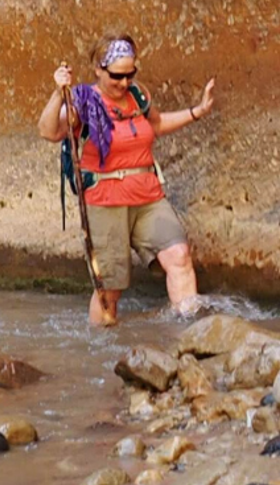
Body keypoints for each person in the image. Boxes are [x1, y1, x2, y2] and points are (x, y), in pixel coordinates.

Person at [38, 36, 216, 327]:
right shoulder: (84, 101)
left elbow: (155, 125)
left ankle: (190, 338)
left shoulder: (138, 95)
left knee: (179, 256)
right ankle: (104, 353)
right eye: (116, 75)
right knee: (110, 289)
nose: (123, 82)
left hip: (147, 195)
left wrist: (198, 111)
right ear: (98, 69)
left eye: (130, 74)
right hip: (105, 200)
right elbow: (49, 131)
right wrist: (59, 93)